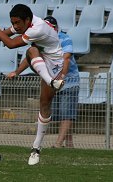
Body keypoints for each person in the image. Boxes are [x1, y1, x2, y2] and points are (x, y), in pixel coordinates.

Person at [0, 4, 65, 165]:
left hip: (55, 64)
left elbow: (10, 44)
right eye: (14, 23)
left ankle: (36, 147)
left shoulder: (37, 28)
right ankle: (36, 150)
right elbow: (2, 35)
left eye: (18, 23)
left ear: (27, 20)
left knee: (44, 103)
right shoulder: (27, 24)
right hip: (44, 60)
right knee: (32, 52)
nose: (16, 26)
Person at [44, 16, 80, 149]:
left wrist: (62, 76)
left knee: (66, 113)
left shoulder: (64, 38)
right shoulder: (43, 41)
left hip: (69, 81)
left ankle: (58, 143)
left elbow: (66, 58)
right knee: (63, 114)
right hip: (55, 82)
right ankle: (69, 143)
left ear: (56, 28)